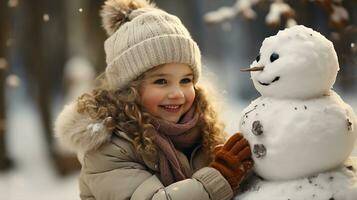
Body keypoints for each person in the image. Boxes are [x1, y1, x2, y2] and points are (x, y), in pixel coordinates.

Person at [55, 0, 253, 199]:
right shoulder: (109, 149)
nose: (177, 93)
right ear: (130, 90)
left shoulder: (201, 131)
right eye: (161, 81)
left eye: (186, 80)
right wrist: (219, 178)